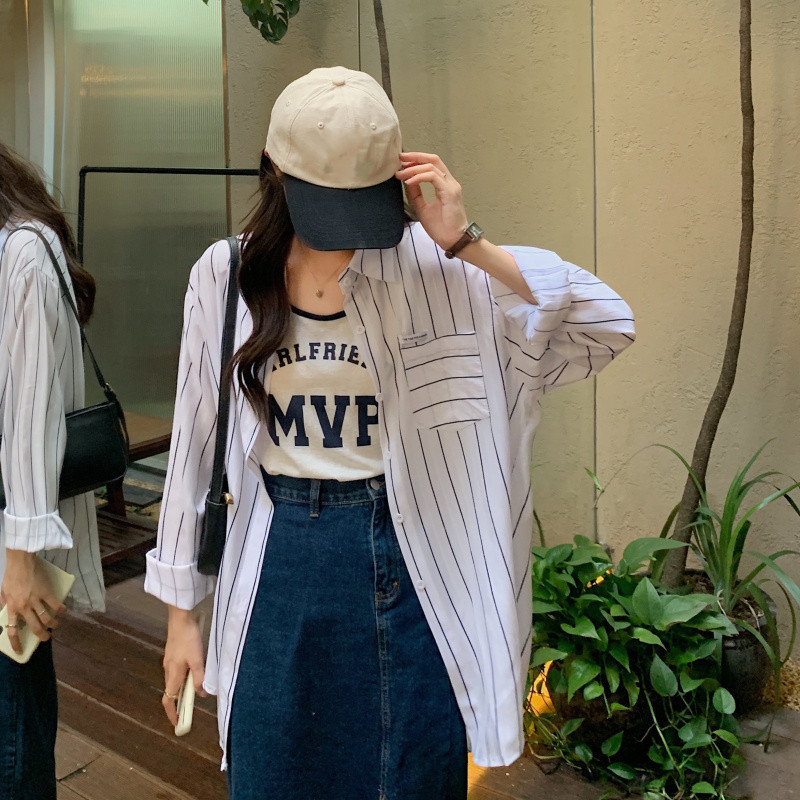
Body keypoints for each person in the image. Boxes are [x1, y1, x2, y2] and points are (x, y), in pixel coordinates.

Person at [146, 66, 635, 800]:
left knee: (406, 778)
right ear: (275, 171)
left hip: (408, 562)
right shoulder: (227, 274)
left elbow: (607, 324)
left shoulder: (444, 273)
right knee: (274, 775)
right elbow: (194, 446)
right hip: (276, 553)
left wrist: (469, 241)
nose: (348, 233)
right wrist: (182, 617)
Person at [0, 143, 105, 800]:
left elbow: (32, 412)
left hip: (12, 534)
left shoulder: (23, 251)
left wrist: (22, 554)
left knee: (12, 724)